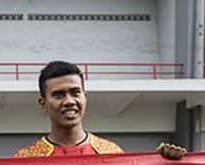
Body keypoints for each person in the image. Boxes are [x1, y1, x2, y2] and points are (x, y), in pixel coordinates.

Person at [13, 61, 186, 159]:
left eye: (75, 93)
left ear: (85, 97)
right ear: (43, 103)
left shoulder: (112, 153)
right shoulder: (25, 160)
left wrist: (163, 164)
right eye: (58, 95)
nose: (69, 101)